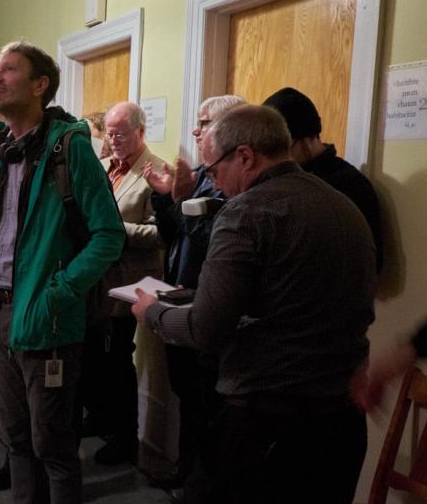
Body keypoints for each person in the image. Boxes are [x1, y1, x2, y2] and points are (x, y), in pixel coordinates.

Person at [132, 105, 375, 504]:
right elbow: (294, 298)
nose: (215, 183)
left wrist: (152, 312)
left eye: (212, 171)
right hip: (342, 421)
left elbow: (204, 330)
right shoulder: (344, 205)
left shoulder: (246, 213)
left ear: (245, 156)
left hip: (269, 424)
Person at [0, 41, 125, 503]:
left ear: (40, 85)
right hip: (1, 317)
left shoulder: (70, 148)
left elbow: (109, 235)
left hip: (49, 319)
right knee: (15, 439)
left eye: (8, 70)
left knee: (53, 446)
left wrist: (61, 291)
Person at [140, 95, 244, 497]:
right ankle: (185, 476)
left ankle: (201, 485)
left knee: (208, 407)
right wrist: (165, 197)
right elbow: (173, 236)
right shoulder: (202, 174)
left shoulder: (230, 183)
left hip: (209, 309)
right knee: (188, 398)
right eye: (197, 122)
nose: (196, 131)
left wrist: (180, 198)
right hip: (178, 302)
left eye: (205, 123)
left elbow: (213, 243)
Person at [81, 102, 164, 466]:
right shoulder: (100, 167)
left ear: (140, 132)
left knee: (118, 363)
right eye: (109, 133)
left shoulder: (157, 171)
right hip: (94, 280)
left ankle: (124, 438)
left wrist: (114, 230)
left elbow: (162, 233)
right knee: (93, 358)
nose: (112, 141)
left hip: (130, 283)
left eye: (120, 134)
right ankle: (98, 417)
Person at [262, 87, 383, 272]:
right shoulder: (278, 178)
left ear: (307, 139)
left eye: (283, 147)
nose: (274, 159)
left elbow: (369, 261)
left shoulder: (348, 184)